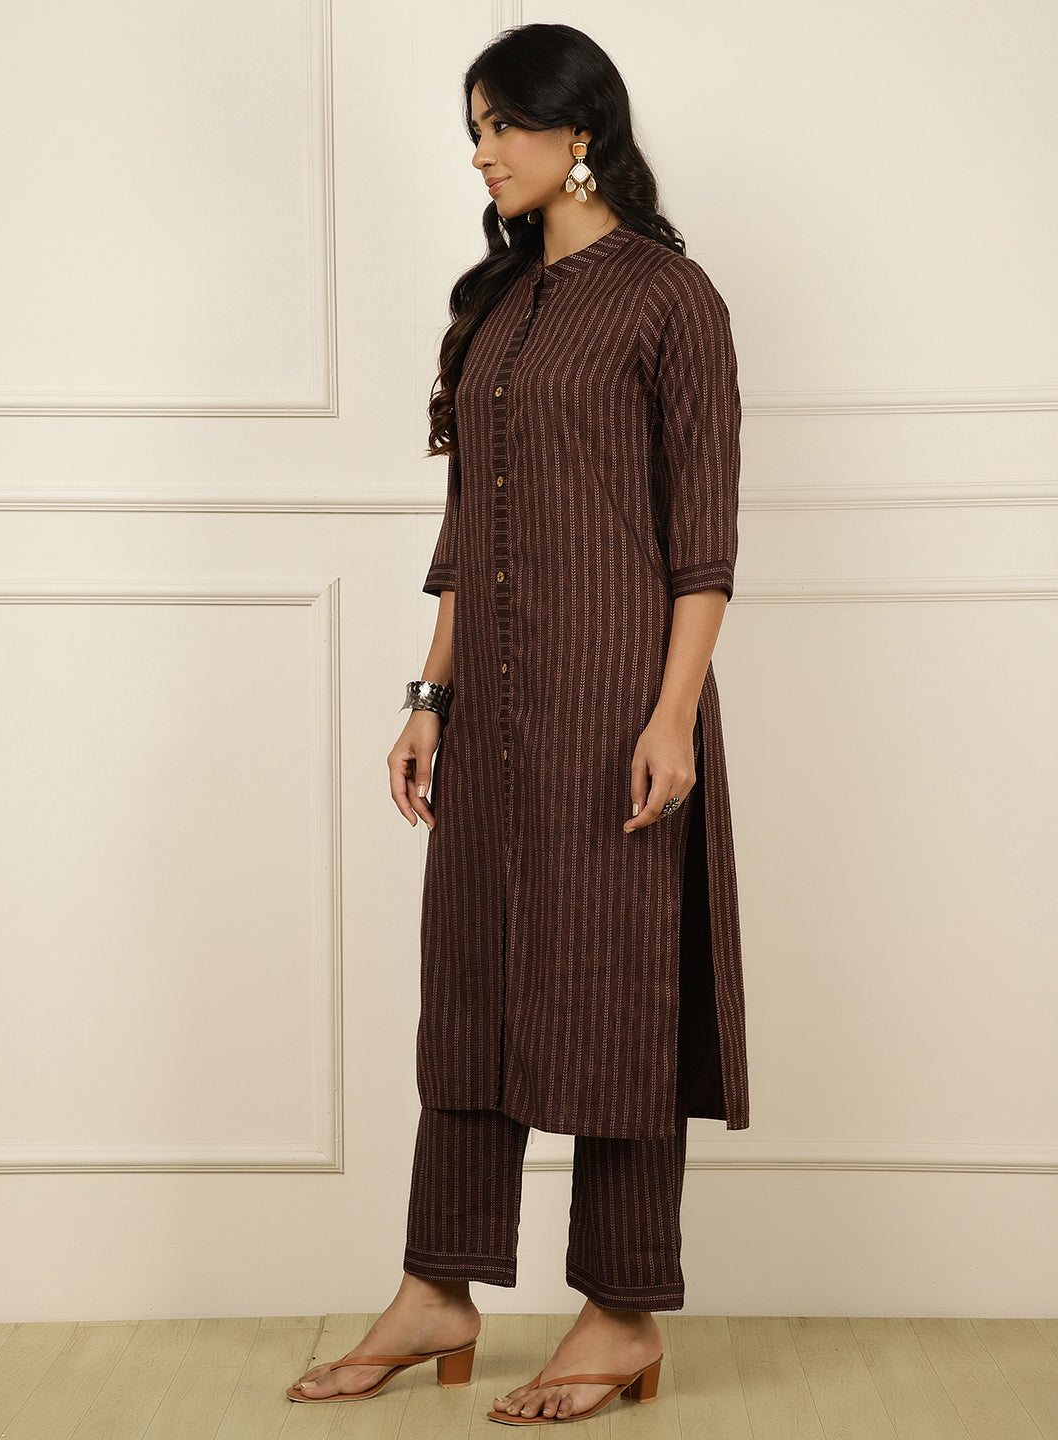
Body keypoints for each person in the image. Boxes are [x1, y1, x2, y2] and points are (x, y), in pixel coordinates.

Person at [287, 21, 749, 1426]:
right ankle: (438, 1285)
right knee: (473, 987)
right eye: (474, 130)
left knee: (617, 996)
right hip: (487, 709)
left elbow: (704, 538)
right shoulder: (495, 304)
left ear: (578, 132)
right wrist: (428, 695)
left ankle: (621, 1312)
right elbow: (465, 528)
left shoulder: (670, 297)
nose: (481, 152)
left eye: (501, 125)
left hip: (617, 700)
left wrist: (673, 715)